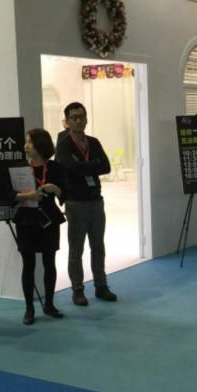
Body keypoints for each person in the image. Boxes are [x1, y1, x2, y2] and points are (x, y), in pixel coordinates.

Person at [55, 102, 117, 306]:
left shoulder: (93, 142)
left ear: (86, 119)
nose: (78, 120)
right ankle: (77, 290)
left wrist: (83, 166)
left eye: (81, 116)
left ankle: (101, 286)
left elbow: (106, 167)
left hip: (96, 201)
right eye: (74, 117)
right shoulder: (63, 145)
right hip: (75, 203)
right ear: (67, 121)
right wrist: (92, 165)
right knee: (76, 250)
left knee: (98, 246)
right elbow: (71, 168)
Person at [10, 128, 66, 324]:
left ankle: (49, 304)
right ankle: (29, 308)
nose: (26, 146)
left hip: (49, 218)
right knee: (28, 265)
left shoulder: (55, 167)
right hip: (26, 219)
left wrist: (56, 189)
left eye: (30, 142)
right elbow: (7, 194)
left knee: (50, 263)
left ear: (41, 145)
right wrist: (26, 196)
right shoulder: (19, 167)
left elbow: (65, 194)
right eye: (26, 142)